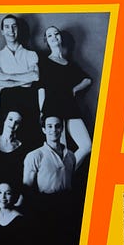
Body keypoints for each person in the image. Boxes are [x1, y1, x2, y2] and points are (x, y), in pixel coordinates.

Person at [23, 115, 77, 245]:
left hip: (67, 202)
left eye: (57, 126)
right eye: (50, 126)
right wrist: (37, 208)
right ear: (43, 129)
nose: (54, 130)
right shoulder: (34, 155)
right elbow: (27, 186)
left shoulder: (71, 156)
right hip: (44, 202)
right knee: (46, 234)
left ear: (61, 129)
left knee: (68, 236)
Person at [38, 26, 92, 168]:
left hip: (70, 108)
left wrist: (74, 89)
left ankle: (66, 175)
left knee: (87, 145)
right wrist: (42, 112)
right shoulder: (44, 62)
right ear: (46, 41)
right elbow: (41, 89)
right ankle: (60, 182)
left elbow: (87, 80)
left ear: (61, 38)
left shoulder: (70, 64)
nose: (54, 37)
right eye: (49, 35)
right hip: (52, 109)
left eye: (56, 34)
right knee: (59, 153)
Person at [0, 14, 40, 134]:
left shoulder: (30, 54)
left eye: (14, 26)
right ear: (2, 31)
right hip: (7, 99)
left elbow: (35, 76)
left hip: (29, 98)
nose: (11, 31)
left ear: (18, 29)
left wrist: (7, 77)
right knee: (9, 137)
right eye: (7, 27)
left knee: (30, 135)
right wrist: (24, 79)